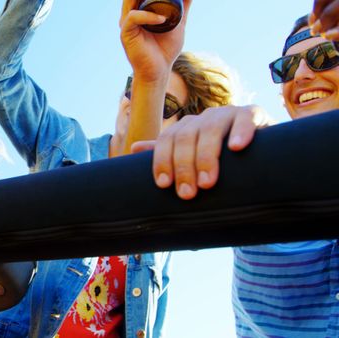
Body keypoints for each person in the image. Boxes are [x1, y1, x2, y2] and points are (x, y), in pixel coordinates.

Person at [0, 0, 232, 337]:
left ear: (187, 125)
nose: (136, 97)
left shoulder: (174, 202)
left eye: (163, 103)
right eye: (132, 85)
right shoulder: (62, 145)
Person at [139, 13, 339, 337]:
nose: (301, 74)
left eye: (326, 56)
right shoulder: (248, 173)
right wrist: (151, 78)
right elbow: (139, 207)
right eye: (286, 68)